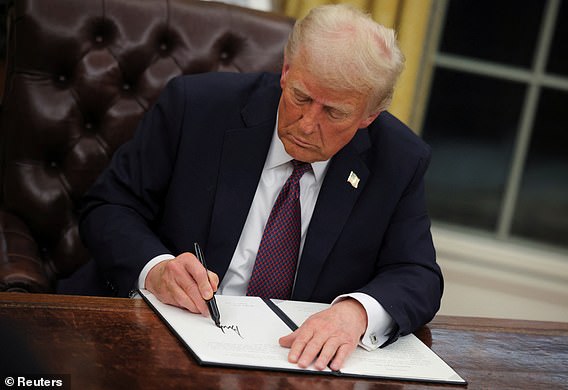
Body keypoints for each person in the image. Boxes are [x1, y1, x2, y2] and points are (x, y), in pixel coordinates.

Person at [74, 4, 443, 371]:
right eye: (301, 97)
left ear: (369, 116)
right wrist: (156, 269)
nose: (307, 123)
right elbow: (109, 206)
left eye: (334, 112)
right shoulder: (196, 108)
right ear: (285, 71)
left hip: (293, 363)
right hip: (155, 339)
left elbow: (417, 273)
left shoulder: (397, 159)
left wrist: (356, 313)